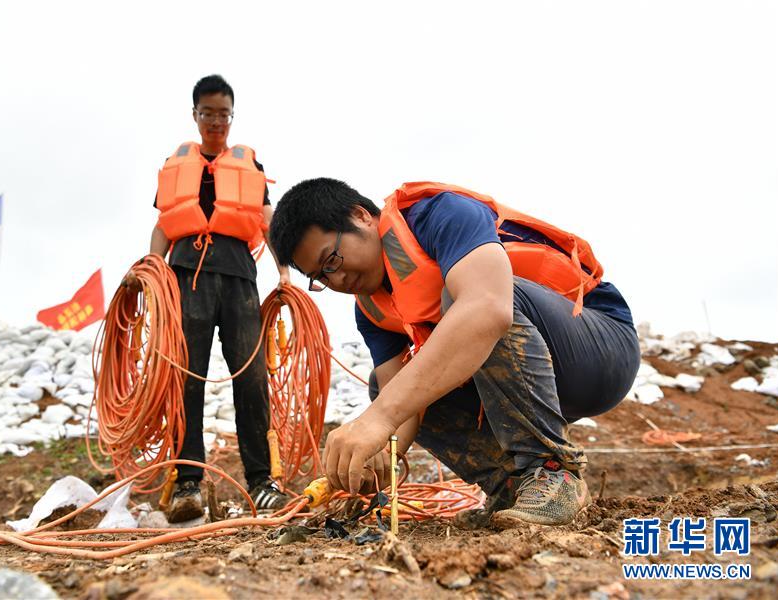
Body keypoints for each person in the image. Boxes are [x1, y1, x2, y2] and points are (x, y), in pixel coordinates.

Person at [269, 179, 640, 527]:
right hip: (523, 381)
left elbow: (488, 310)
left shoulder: (440, 214)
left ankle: (553, 471)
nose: (336, 280)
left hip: (599, 351)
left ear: (360, 216)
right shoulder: (370, 310)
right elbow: (401, 407)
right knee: (386, 389)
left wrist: (377, 419)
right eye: (321, 278)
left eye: (331, 260)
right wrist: (378, 457)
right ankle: (511, 487)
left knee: (469, 306)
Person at [124, 75, 290, 521]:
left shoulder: (249, 165)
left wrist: (284, 273)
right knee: (184, 378)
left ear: (232, 117)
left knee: (251, 378)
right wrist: (150, 269)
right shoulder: (177, 164)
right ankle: (187, 484)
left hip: (238, 278)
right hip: (185, 279)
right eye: (208, 113)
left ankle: (262, 482)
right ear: (195, 115)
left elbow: (268, 221)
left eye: (224, 114)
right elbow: (164, 225)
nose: (216, 122)